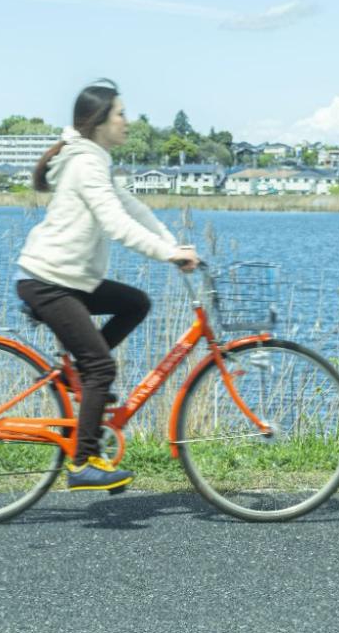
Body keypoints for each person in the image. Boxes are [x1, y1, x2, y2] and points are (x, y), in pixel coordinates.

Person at [15, 80, 200, 492]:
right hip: (49, 281)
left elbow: (132, 209)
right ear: (99, 121)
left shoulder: (94, 159)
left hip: (68, 278)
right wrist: (167, 254)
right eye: (120, 114)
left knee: (135, 303)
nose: (127, 122)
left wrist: (173, 245)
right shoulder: (86, 163)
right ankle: (83, 463)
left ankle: (81, 378)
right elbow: (115, 224)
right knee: (101, 366)